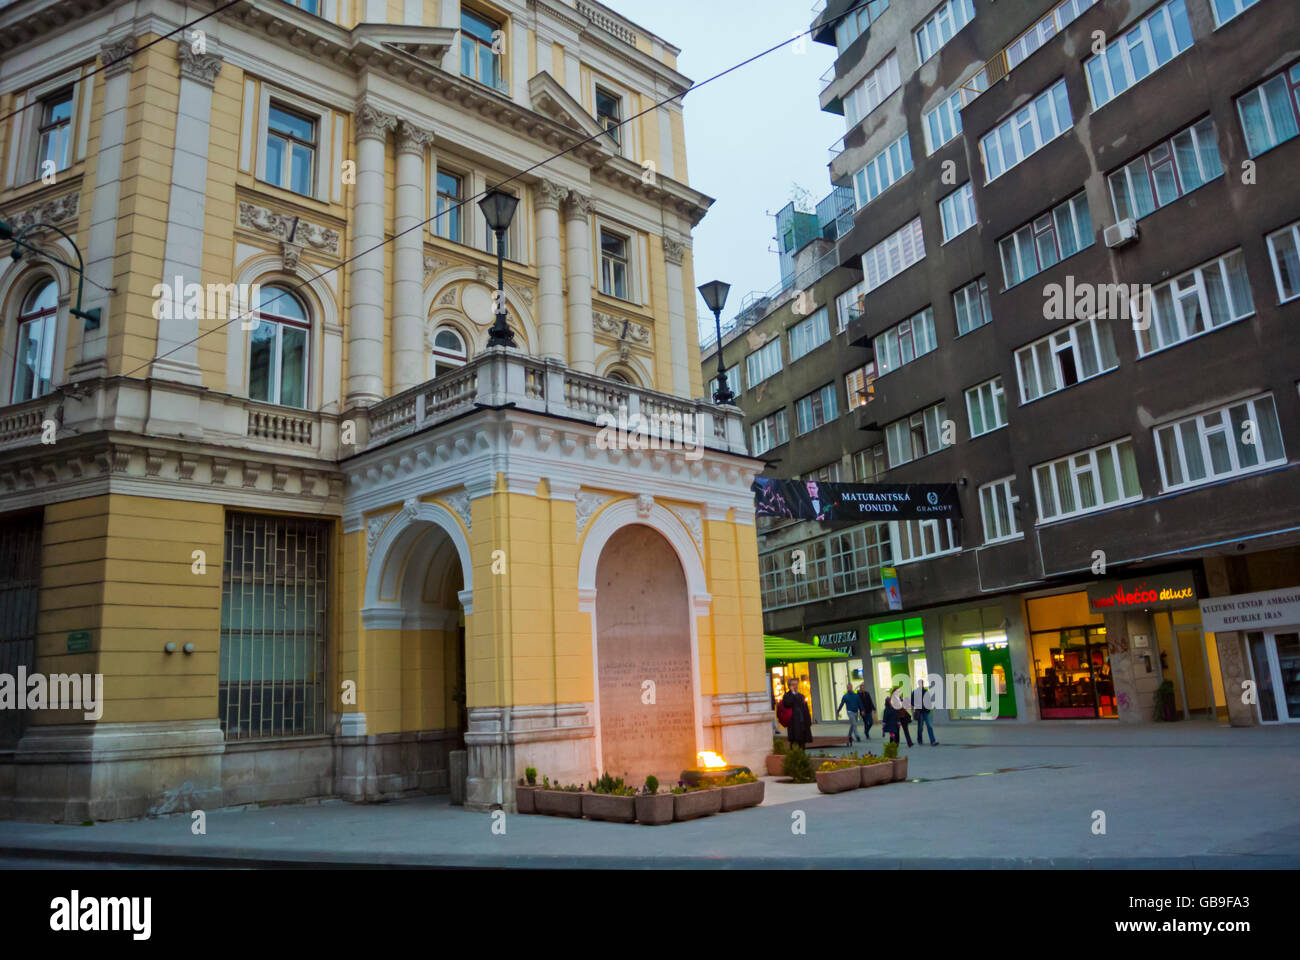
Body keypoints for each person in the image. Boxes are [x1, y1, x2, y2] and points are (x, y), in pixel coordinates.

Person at [780, 677, 813, 751]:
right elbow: (787, 704)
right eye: (793, 684)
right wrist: (793, 693)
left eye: (796, 684)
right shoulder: (787, 696)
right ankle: (794, 757)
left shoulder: (801, 696)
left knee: (802, 742)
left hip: (802, 722)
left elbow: (805, 709)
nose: (795, 686)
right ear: (789, 686)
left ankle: (802, 757)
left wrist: (808, 721)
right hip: (793, 723)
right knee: (794, 742)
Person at [911, 678, 939, 745]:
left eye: (922, 683)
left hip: (926, 712)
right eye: (920, 683)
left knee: (929, 726)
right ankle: (919, 740)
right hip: (920, 712)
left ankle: (933, 741)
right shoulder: (915, 692)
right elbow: (912, 702)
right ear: (918, 684)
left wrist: (929, 708)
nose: (921, 684)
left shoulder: (926, 691)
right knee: (920, 727)